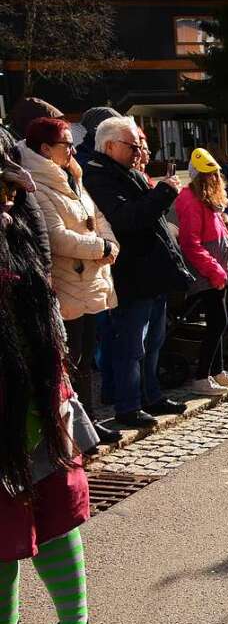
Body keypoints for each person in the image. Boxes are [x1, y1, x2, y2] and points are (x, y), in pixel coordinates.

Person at [0, 130, 98, 624]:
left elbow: (42, 313)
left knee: (50, 506)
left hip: (27, 395)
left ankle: (74, 620)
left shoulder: (16, 223)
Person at [17, 118, 122, 445]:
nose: (73, 149)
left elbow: (97, 217)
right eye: (66, 144)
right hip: (67, 283)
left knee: (85, 357)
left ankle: (88, 425)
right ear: (46, 149)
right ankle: (68, 433)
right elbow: (55, 236)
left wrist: (110, 244)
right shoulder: (37, 182)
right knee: (69, 360)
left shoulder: (72, 174)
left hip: (91, 278)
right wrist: (99, 248)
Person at [83, 117, 192, 427]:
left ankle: (151, 397)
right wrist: (163, 193)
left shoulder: (126, 171)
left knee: (154, 340)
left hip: (151, 271)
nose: (139, 152)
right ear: (110, 145)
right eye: (133, 146)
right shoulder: (99, 176)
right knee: (131, 343)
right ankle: (128, 406)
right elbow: (126, 219)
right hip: (132, 272)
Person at [175, 148, 228, 396]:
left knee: (219, 321)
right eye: (209, 175)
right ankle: (202, 376)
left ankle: (216, 372)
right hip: (207, 274)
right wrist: (215, 270)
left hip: (216, 272)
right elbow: (191, 244)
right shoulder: (191, 200)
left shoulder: (207, 201)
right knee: (218, 322)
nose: (214, 179)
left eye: (216, 175)